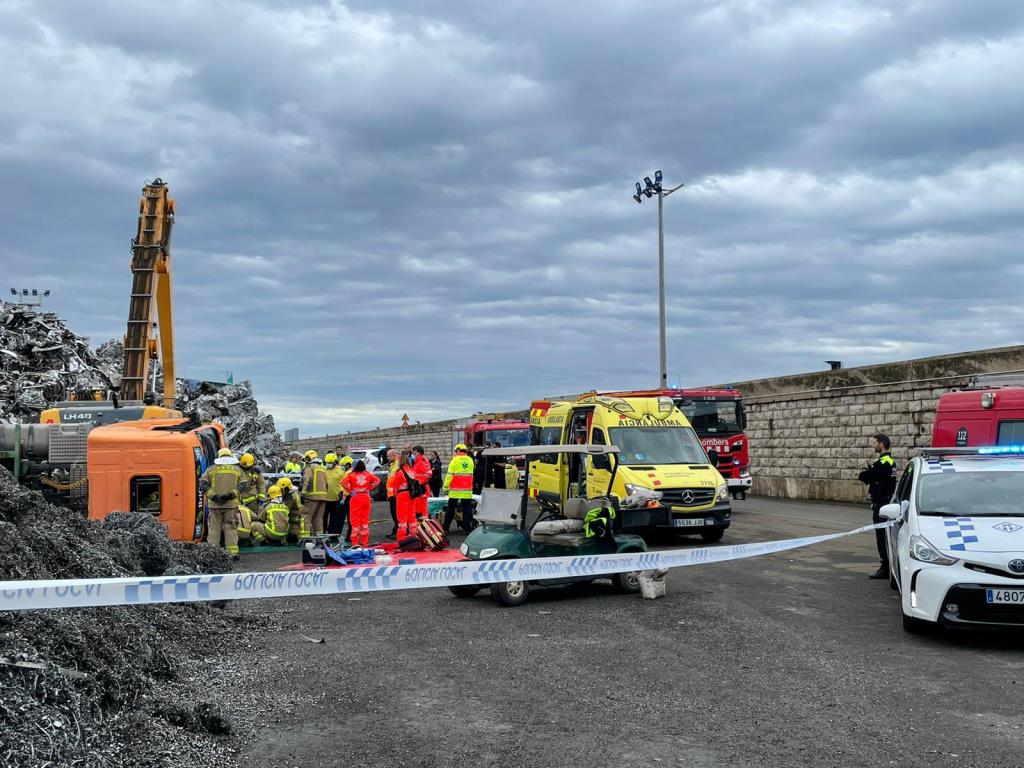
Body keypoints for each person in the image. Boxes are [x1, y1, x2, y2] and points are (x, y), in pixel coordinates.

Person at [858, 432, 897, 579]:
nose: (873, 445)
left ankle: (885, 568)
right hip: (886, 502)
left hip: (881, 504)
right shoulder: (890, 461)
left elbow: (864, 476)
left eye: (874, 443)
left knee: (881, 537)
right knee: (886, 537)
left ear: (881, 444)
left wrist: (869, 476)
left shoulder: (883, 462)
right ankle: (887, 566)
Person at [199, 448, 249, 561]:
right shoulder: (237, 470)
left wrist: (214, 496)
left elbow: (203, 484)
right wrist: (231, 495)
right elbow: (243, 485)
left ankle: (212, 554)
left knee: (214, 530)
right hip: (231, 506)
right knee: (231, 529)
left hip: (215, 506)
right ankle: (232, 554)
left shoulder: (211, 469)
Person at [341, 460, 381, 547]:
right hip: (365, 497)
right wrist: (369, 488)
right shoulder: (368, 474)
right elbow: (377, 480)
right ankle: (364, 543)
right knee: (365, 521)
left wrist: (350, 489)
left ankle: (355, 543)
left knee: (355, 521)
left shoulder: (351, 475)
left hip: (355, 498)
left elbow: (343, 483)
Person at [443, 443, 476, 534]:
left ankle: (446, 528)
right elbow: (471, 475)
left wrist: (445, 487)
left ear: (458, 450)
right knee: (466, 509)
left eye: (455, 451)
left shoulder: (455, 460)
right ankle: (467, 529)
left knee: (450, 509)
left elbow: (449, 475)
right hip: (467, 489)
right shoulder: (470, 460)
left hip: (455, 490)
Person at [300, 454, 329, 536]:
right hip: (323, 497)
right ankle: (319, 538)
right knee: (318, 518)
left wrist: (303, 493)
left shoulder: (309, 467)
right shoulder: (323, 469)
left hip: (311, 497)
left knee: (305, 516)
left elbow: (307, 480)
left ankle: (305, 538)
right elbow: (327, 484)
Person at [323, 453, 345, 535]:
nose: (328, 464)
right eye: (327, 462)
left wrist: (341, 492)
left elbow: (344, 483)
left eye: (330, 462)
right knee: (323, 517)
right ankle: (323, 532)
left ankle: (331, 532)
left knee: (334, 517)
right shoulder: (323, 469)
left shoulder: (341, 471)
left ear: (335, 462)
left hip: (336, 499)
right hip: (324, 498)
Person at [409, 445, 433, 521]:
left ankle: (425, 525)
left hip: (422, 488)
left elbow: (429, 474)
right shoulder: (417, 461)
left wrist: (419, 482)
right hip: (419, 488)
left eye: (413, 452)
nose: (412, 454)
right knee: (418, 508)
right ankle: (420, 524)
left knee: (423, 509)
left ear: (417, 452)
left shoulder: (422, 461)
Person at [276, 476, 303, 542]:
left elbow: (284, 510)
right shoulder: (290, 494)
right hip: (295, 518)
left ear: (286, 489)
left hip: (295, 520)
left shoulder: (290, 497)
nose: (280, 491)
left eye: (281, 489)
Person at [385, 449, 403, 539]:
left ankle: (397, 530)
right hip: (392, 494)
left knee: (397, 514)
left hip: (396, 494)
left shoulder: (398, 464)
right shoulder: (392, 465)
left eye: (389, 456)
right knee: (394, 513)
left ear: (394, 455)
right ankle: (395, 529)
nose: (387, 458)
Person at [337, 455, 355, 543]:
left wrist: (342, 495)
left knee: (341, 517)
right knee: (351, 517)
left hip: (347, 497)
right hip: (350, 497)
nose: (342, 467)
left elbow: (345, 485)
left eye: (343, 465)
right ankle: (349, 536)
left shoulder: (349, 473)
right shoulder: (350, 472)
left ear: (348, 465)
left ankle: (338, 535)